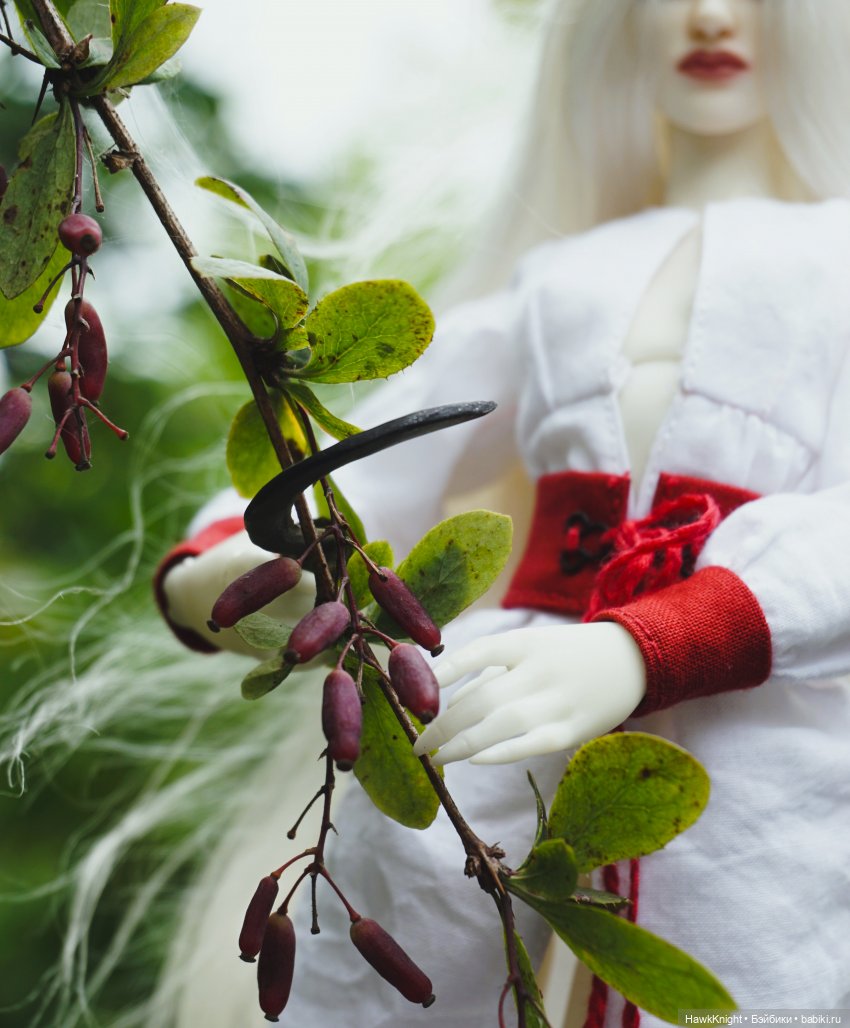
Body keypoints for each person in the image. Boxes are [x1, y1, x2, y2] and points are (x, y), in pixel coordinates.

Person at [157, 0, 850, 1024]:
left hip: (756, 693)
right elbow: (393, 429)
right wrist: (238, 550)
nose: (709, 17)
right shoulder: (556, 279)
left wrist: (654, 641)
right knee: (425, 895)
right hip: (516, 687)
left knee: (739, 948)